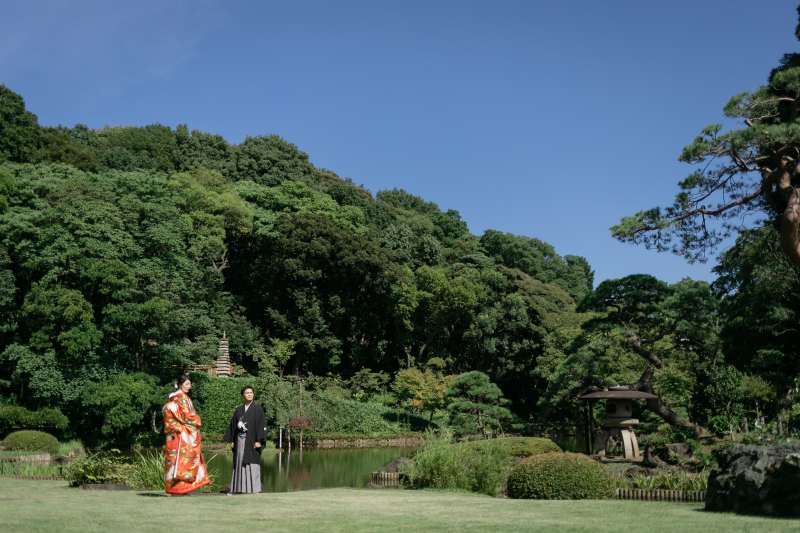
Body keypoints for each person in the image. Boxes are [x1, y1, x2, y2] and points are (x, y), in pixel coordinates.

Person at [162, 374, 211, 495]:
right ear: (179, 384)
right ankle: (182, 489)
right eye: (187, 384)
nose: (189, 386)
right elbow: (189, 416)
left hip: (172, 432)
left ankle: (174, 489)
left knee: (174, 460)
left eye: (190, 384)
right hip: (181, 434)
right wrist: (197, 422)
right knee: (183, 460)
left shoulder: (173, 398)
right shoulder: (183, 398)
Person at [223, 385, 267, 494]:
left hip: (252, 441)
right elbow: (233, 426)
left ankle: (255, 489)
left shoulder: (257, 409)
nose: (249, 394)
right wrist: (232, 440)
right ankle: (237, 489)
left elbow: (262, 425)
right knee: (239, 462)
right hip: (239, 441)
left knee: (251, 462)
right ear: (243, 395)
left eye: (251, 392)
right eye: (247, 393)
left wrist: (259, 441)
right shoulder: (239, 410)